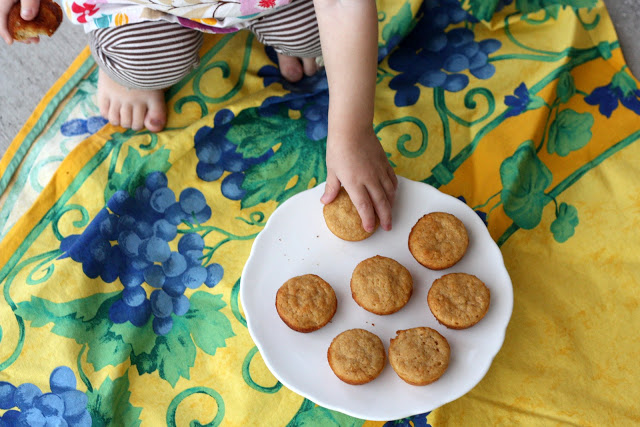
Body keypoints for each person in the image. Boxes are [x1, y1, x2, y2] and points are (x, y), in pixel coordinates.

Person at [0, 0, 397, 232]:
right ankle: (127, 68)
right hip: (141, 8)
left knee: (318, 33)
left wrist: (352, 129)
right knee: (143, 64)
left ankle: (275, 25)